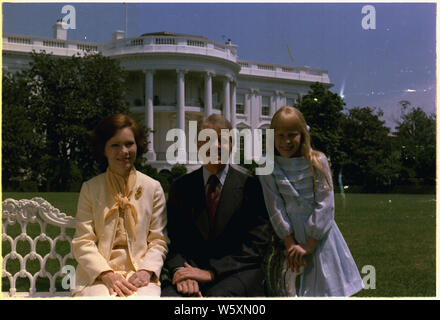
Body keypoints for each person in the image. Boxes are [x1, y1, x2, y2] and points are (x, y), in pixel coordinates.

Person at [161, 114, 271, 297]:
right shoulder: (180, 188)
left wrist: (211, 272)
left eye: (222, 140)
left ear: (232, 146)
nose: (216, 146)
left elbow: (256, 245)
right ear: (198, 146)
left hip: (237, 273)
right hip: (190, 274)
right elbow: (172, 240)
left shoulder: (251, 187)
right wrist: (182, 271)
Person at [259, 106, 364, 297]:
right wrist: (290, 243)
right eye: (280, 135)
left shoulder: (317, 160)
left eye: (292, 135)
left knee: (326, 288)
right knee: (292, 289)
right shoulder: (267, 164)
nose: (286, 141)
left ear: (303, 134)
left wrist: (309, 244)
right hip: (289, 240)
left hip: (320, 238)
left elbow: (325, 204)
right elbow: (274, 205)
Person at [72, 114, 169, 297]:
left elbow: (158, 240)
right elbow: (83, 241)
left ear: (137, 146)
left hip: (139, 274)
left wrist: (146, 271)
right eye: (115, 145)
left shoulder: (153, 188)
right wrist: (106, 274)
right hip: (98, 275)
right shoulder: (90, 188)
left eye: (129, 144)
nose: (123, 151)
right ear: (104, 149)